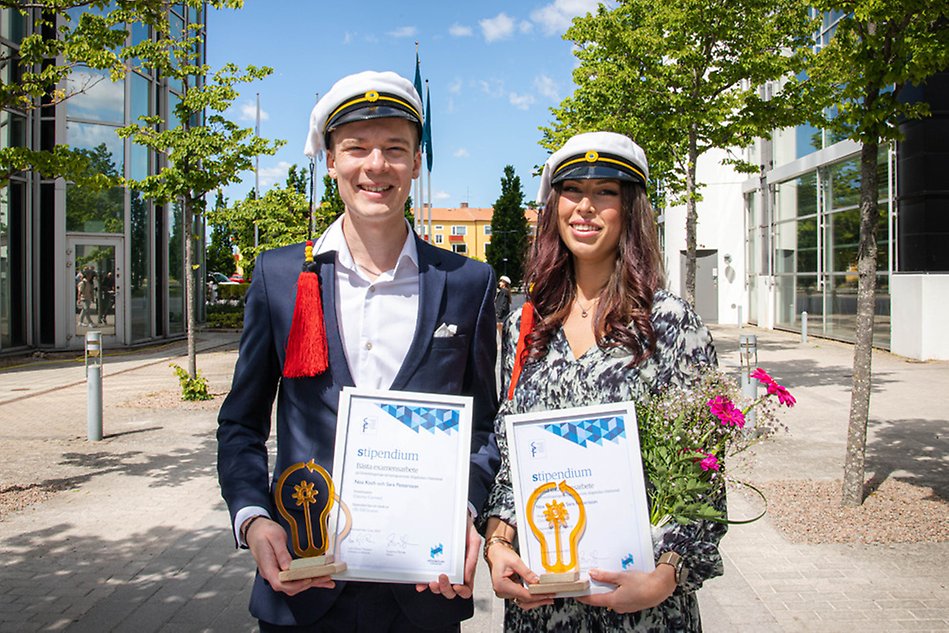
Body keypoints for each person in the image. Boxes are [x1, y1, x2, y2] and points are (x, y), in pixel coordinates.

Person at [216, 71, 500, 632]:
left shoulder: (468, 282)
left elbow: (485, 428)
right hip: (304, 586)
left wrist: (462, 512)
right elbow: (240, 425)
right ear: (329, 161)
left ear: (417, 163)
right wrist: (253, 520)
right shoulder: (280, 275)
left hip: (423, 594)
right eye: (356, 149)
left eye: (395, 149)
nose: (376, 166)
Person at [480, 132, 724, 631]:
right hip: (542, 605)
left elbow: (704, 473)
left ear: (630, 208)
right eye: (572, 190)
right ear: (554, 206)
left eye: (606, 192)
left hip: (641, 607)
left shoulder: (671, 324)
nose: (585, 207)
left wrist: (667, 574)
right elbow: (511, 460)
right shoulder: (526, 326)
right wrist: (498, 543)